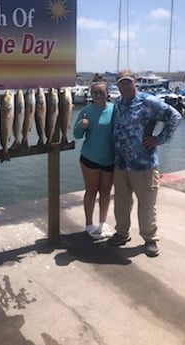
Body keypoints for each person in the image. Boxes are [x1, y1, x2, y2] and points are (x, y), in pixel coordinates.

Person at [108, 70, 182, 257]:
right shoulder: (118, 103)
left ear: (135, 83)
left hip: (144, 165)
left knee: (147, 204)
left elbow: (175, 116)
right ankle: (121, 233)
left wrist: (159, 139)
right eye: (121, 83)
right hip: (121, 164)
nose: (124, 87)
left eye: (128, 83)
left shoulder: (148, 101)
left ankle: (149, 239)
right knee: (121, 203)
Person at [73, 74, 115, 239]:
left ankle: (103, 223)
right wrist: (81, 126)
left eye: (100, 92)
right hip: (90, 158)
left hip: (110, 159)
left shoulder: (114, 109)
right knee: (91, 191)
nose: (97, 95)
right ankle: (89, 224)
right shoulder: (86, 111)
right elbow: (76, 135)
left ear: (107, 93)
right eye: (94, 92)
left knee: (105, 192)